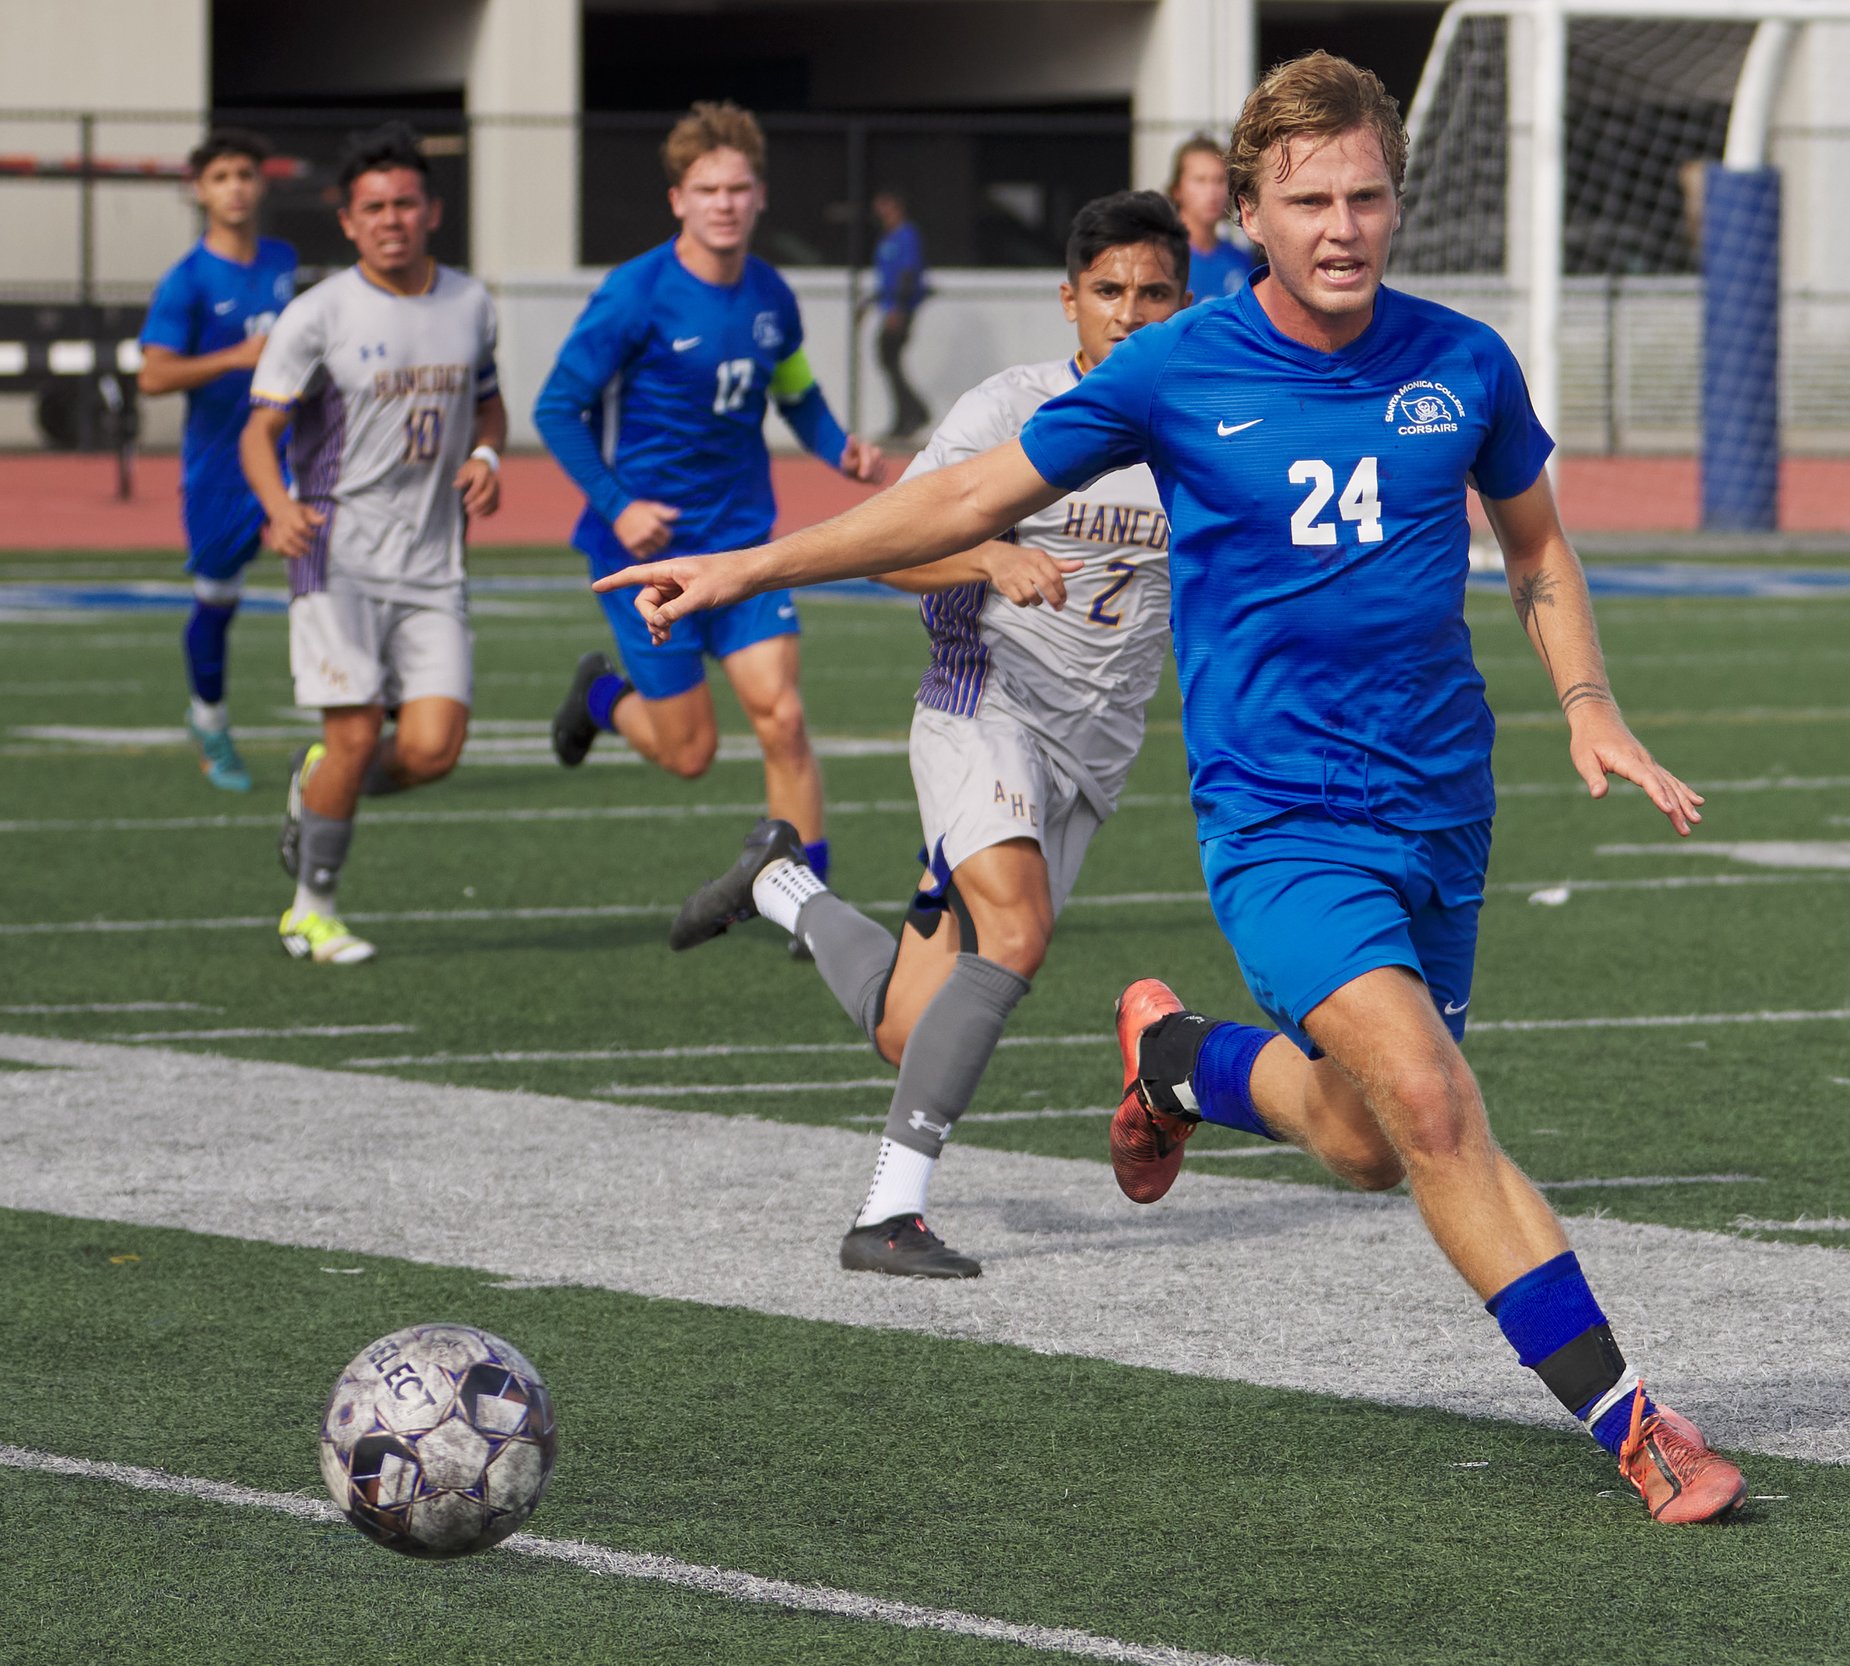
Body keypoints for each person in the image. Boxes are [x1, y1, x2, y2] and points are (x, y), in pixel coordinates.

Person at [597, 52, 1747, 1526]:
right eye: (1308, 200)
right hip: (1280, 826)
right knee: (1435, 1107)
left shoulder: (1462, 362)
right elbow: (959, 499)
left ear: (1400, 200)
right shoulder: (1178, 365)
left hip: (1442, 811)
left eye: (1368, 197)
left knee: (1359, 1140)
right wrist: (751, 561)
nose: (1343, 226)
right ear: (1252, 216)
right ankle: (1634, 1421)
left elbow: (1534, 548)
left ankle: (1177, 1061)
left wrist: (1590, 703)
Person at [668, 190, 1189, 1279]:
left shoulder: (1204, 426)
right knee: (1018, 936)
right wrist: (984, 555)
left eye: (1153, 293)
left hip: (1091, 757)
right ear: (1069, 302)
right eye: (1108, 293)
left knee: (914, 1031)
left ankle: (780, 887)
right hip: (979, 712)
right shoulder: (1013, 410)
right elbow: (887, 545)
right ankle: (887, 1213)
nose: (1130, 314)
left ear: (1187, 302)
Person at [541, 103, 883, 889]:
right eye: (707, 190)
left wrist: (840, 448)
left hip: (743, 546)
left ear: (760, 195)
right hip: (648, 554)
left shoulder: (771, 295)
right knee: (688, 754)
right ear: (678, 201)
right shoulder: (634, 293)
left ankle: (808, 898)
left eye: (738, 188)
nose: (724, 204)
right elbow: (558, 408)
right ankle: (598, 695)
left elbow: (794, 390)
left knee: (784, 718)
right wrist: (618, 502)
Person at [242, 123, 503, 964]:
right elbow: (261, 430)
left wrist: (488, 454)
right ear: (348, 222)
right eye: (373, 208)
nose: (391, 219)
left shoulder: (470, 302)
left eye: (405, 203)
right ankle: (310, 912)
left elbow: (489, 401)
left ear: (431, 210)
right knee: (355, 734)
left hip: (434, 561)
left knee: (432, 751)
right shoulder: (318, 314)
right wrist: (279, 505)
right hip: (335, 555)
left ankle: (318, 782)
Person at [136, 128, 298, 793]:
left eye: (246, 174)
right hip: (220, 467)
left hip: (293, 453)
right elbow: (153, 376)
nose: (236, 186)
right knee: (218, 600)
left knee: (338, 566)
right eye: (222, 175)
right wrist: (233, 358)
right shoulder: (188, 280)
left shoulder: (285, 259)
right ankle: (208, 719)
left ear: (261, 185)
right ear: (199, 190)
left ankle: (364, 716)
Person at [860, 189, 930, 440]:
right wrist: (870, 302)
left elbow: (908, 273)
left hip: (900, 309)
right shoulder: (886, 238)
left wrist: (899, 308)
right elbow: (886, 277)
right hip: (889, 306)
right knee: (889, 362)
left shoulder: (906, 236)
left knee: (889, 359)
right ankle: (907, 415)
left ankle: (914, 413)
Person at [1169, 133, 1253, 306]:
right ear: (1177, 190)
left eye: (1219, 180)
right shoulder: (1164, 258)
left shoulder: (1241, 259)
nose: (1212, 192)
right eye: (1200, 180)